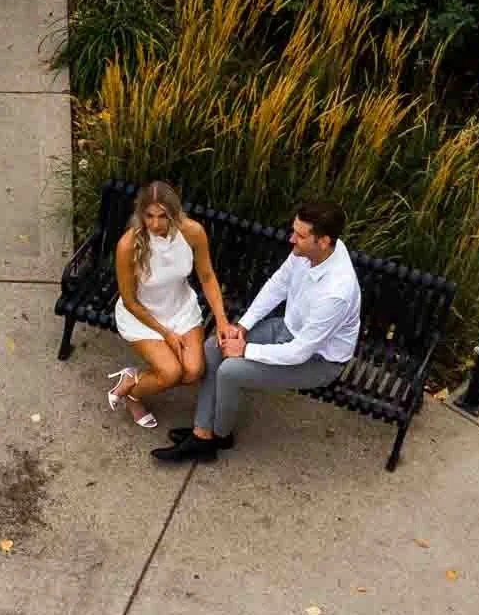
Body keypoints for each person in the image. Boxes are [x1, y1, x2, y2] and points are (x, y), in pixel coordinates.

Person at [153, 199, 359, 462]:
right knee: (214, 347)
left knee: (230, 371)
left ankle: (220, 436)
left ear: (323, 241)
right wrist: (242, 327)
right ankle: (202, 433)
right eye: (293, 230)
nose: (291, 238)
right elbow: (278, 285)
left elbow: (299, 352)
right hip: (286, 329)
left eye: (300, 235)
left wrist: (245, 349)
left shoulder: (337, 292)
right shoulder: (309, 252)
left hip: (318, 360)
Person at [105, 181, 232, 430]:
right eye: (149, 216)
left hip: (181, 311)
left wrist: (221, 319)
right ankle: (134, 395)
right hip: (143, 317)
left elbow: (207, 276)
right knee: (171, 373)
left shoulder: (193, 232)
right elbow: (130, 301)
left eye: (162, 216)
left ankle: (133, 379)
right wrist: (166, 334)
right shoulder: (127, 246)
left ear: (174, 212)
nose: (155, 224)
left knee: (193, 371)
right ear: (140, 213)